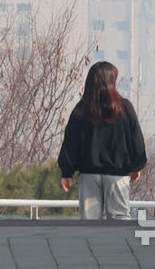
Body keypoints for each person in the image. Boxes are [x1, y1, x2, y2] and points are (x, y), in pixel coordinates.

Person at [57, 60, 146, 220]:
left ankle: (90, 246)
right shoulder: (124, 107)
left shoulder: (81, 109)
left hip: (88, 174)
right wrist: (136, 165)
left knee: (89, 222)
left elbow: (70, 142)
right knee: (120, 218)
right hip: (118, 174)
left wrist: (67, 172)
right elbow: (136, 139)